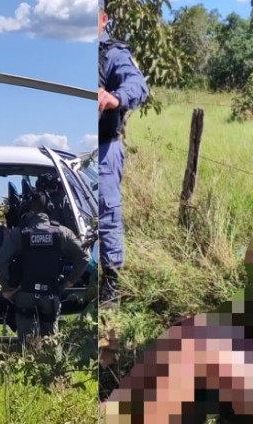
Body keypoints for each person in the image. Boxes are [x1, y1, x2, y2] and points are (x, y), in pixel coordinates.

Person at [98, 0, 148, 304]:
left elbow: (138, 86)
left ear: (104, 20)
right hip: (72, 151)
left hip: (104, 149)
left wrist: (115, 98)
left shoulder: (113, 54)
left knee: (107, 215)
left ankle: (111, 288)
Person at [0, 189, 90, 344]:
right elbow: (84, 258)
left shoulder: (19, 234)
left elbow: (0, 262)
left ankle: (29, 365)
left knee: (27, 346)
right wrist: (69, 282)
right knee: (51, 346)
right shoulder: (62, 232)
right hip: (51, 295)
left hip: (25, 294)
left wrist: (6, 289)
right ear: (49, 208)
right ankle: (51, 367)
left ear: (26, 210)